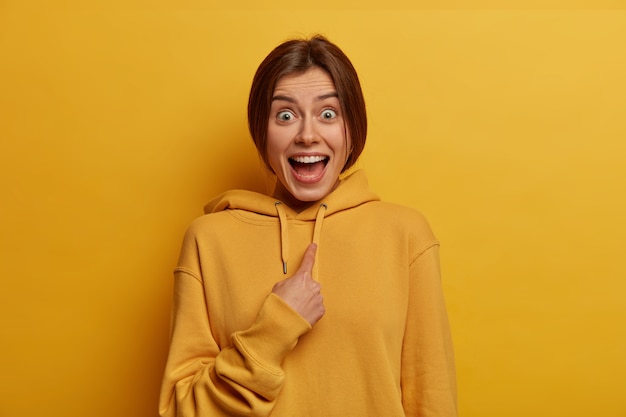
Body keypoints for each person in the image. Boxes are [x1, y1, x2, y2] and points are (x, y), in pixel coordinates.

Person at [159, 35, 457, 417]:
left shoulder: (405, 235)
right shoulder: (208, 240)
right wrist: (276, 327)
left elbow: (430, 397)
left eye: (328, 113)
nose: (307, 134)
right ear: (261, 132)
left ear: (353, 128)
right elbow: (183, 409)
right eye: (285, 115)